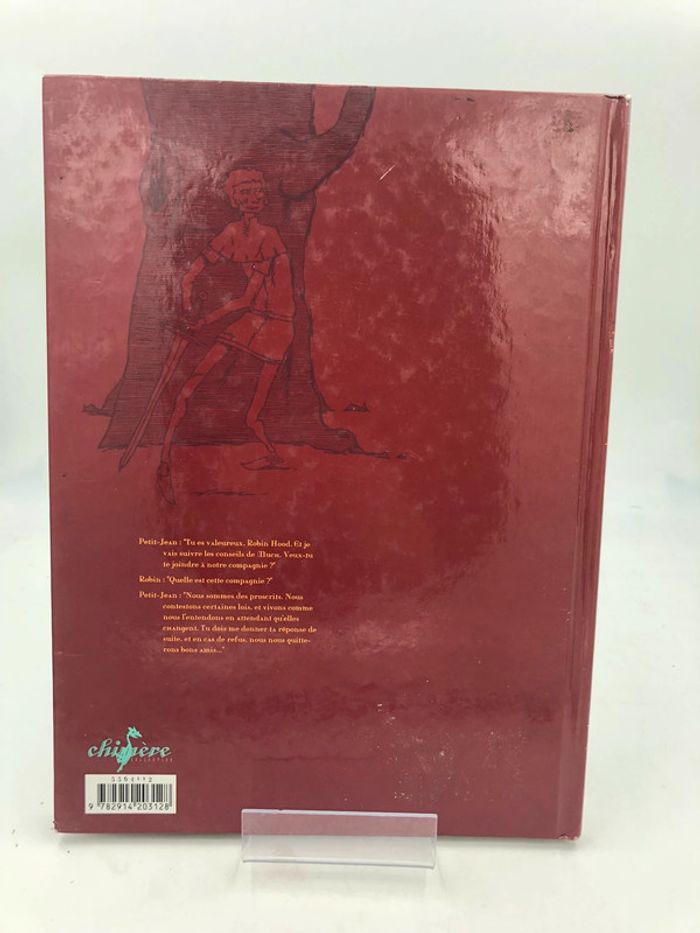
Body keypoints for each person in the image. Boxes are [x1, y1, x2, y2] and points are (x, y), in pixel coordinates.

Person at [156, 168, 295, 504]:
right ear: (234, 199)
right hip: (253, 320)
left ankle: (272, 454)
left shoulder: (270, 237)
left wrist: (203, 321)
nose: (254, 197)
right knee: (189, 386)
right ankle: (164, 464)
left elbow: (245, 299)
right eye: (245, 192)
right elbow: (195, 270)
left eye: (257, 190)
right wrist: (185, 295)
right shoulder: (231, 233)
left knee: (252, 416)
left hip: (277, 326)